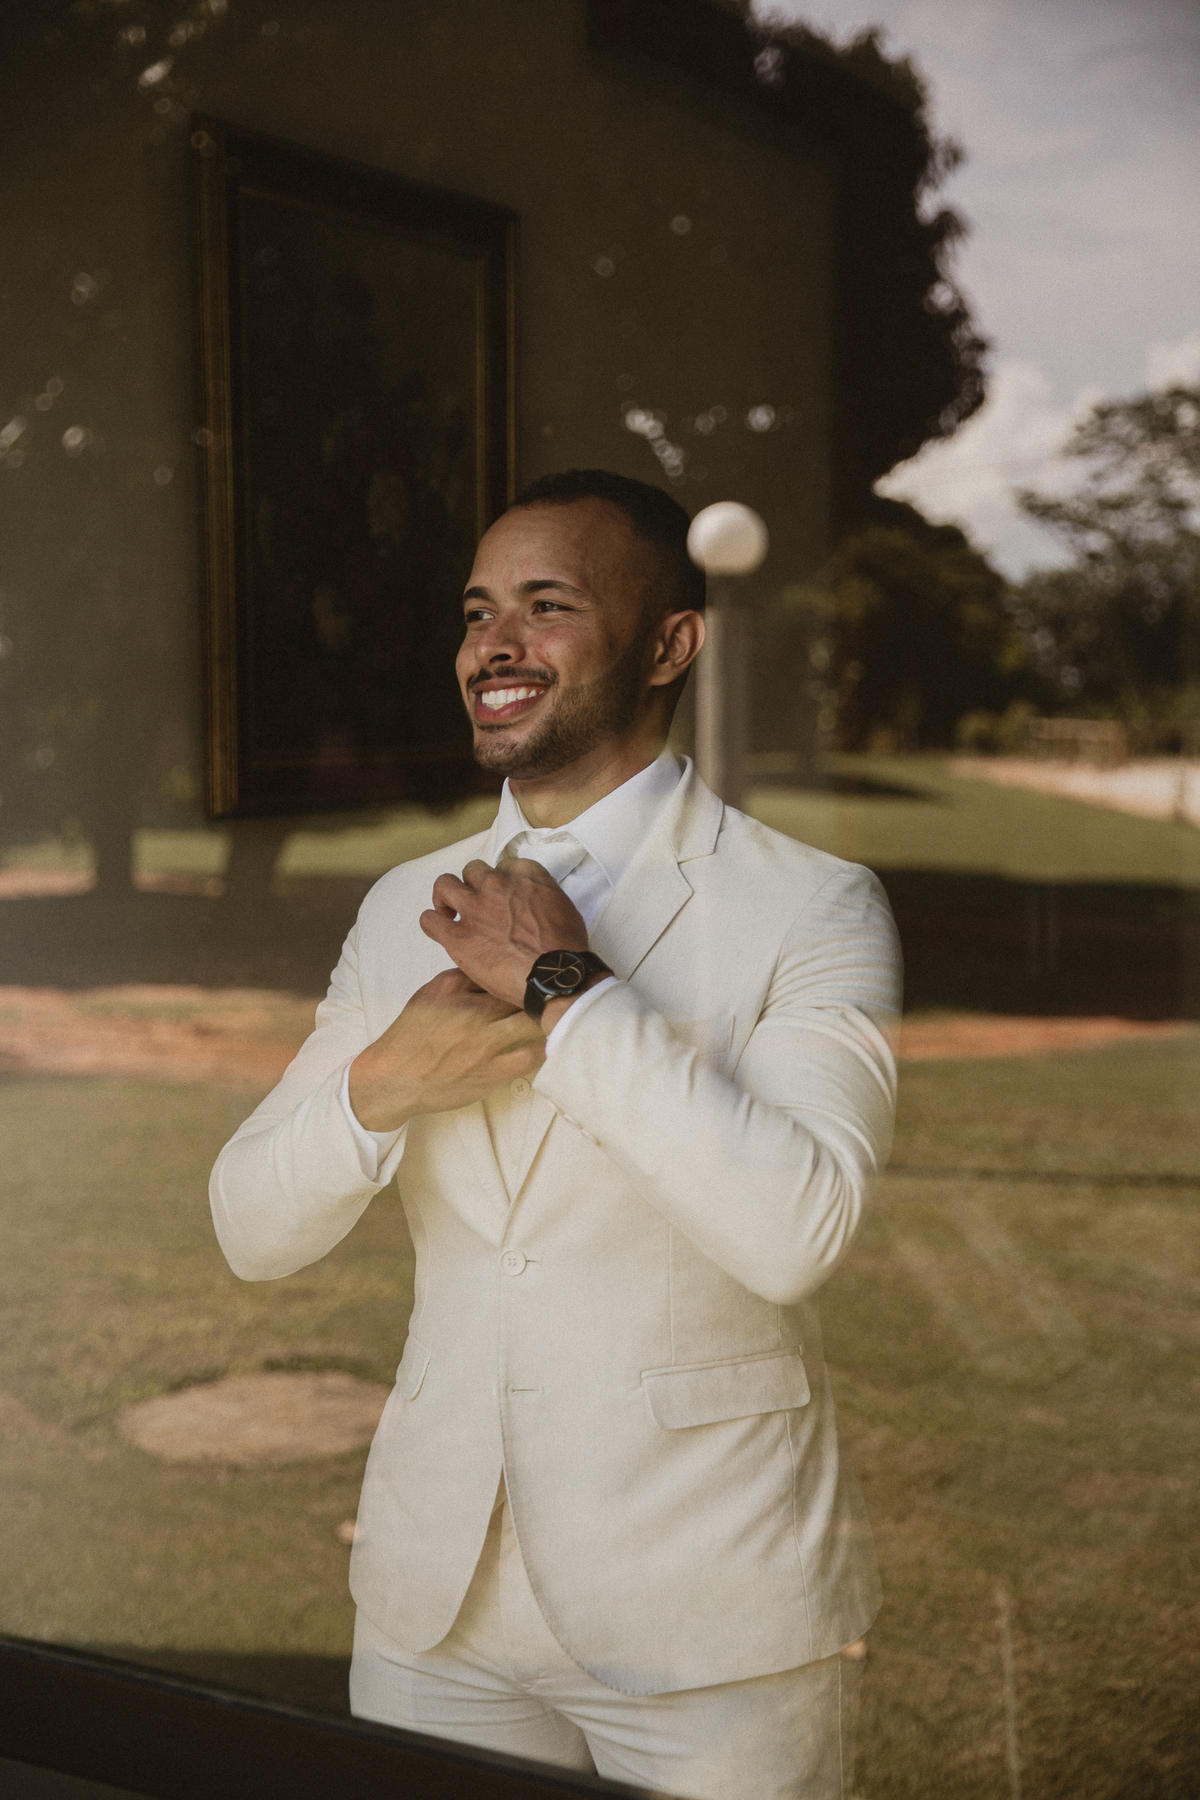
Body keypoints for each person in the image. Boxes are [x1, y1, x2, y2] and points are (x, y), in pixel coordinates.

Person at [210, 469, 902, 1800]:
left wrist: (566, 992)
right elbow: (248, 1226)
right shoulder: (404, 905)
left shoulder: (815, 905)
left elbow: (796, 1232)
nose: (496, 644)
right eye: (479, 612)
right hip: (432, 1607)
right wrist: (378, 1086)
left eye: (548, 605)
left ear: (670, 644)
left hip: (711, 1610)